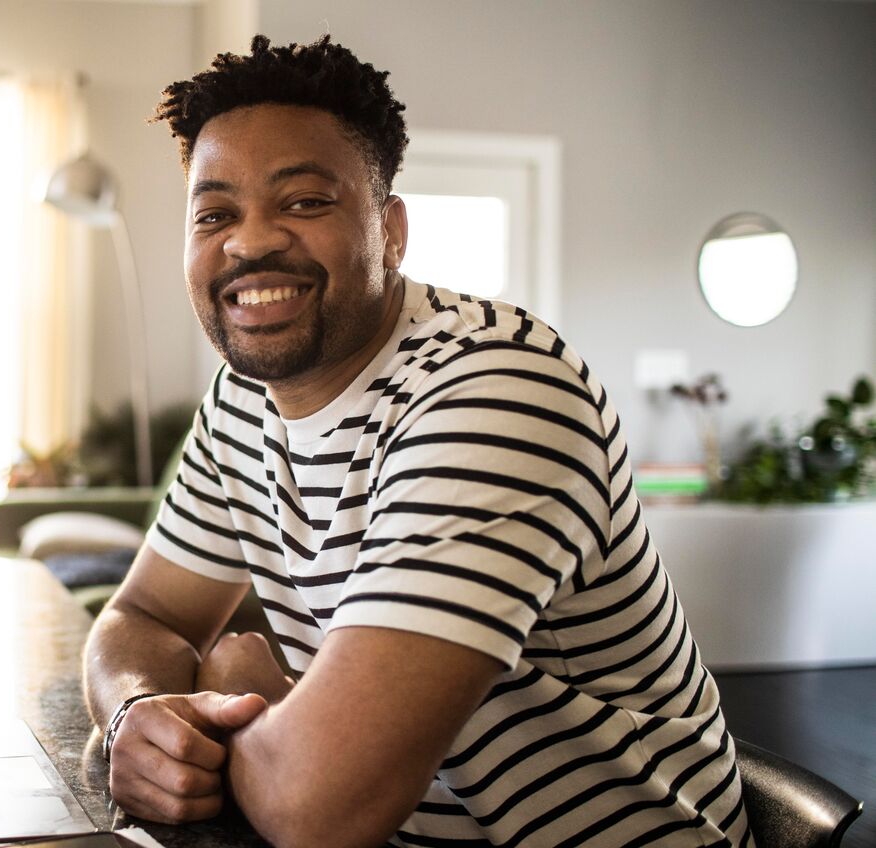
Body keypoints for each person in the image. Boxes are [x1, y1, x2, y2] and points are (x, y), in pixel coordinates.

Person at [82, 35, 751, 847]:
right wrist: (137, 712)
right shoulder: (242, 401)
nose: (249, 242)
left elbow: (318, 807)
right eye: (214, 214)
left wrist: (238, 680)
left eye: (304, 202)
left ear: (391, 231)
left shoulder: (498, 391)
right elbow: (142, 616)